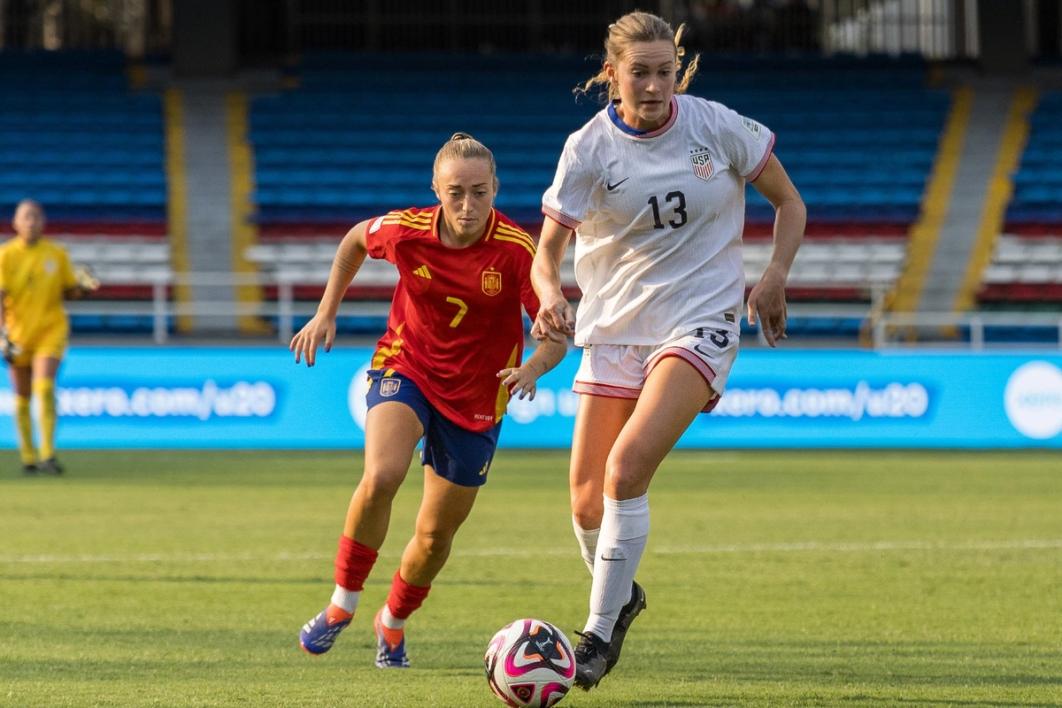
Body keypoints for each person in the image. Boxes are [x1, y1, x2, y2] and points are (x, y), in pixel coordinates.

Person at [531, 11, 805, 690]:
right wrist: (548, 296)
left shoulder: (715, 126)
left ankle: (595, 638)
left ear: (677, 71)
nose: (654, 86)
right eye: (639, 73)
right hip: (614, 329)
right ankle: (622, 598)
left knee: (627, 468)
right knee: (587, 505)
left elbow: (790, 204)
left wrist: (773, 276)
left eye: (664, 71)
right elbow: (546, 256)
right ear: (611, 75)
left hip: (701, 320)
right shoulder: (588, 149)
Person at [292, 133, 567, 668]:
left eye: (480, 192)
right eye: (456, 192)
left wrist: (533, 367)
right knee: (382, 476)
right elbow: (353, 241)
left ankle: (391, 621)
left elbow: (555, 334)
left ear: (496, 189)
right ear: (436, 190)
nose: (468, 205)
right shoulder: (406, 230)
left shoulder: (517, 251)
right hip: (408, 366)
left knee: (435, 535)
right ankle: (341, 605)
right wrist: (326, 311)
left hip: (477, 397)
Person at [0, 199, 98, 475]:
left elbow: (69, 292)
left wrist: (84, 288)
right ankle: (28, 457)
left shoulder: (57, 254)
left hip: (50, 330)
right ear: (16, 223)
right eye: (26, 217)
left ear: (43, 222)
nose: (31, 222)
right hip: (17, 334)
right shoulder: (5, 256)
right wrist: (2, 334)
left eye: (36, 217)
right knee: (21, 396)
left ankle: (48, 455)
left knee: (44, 388)